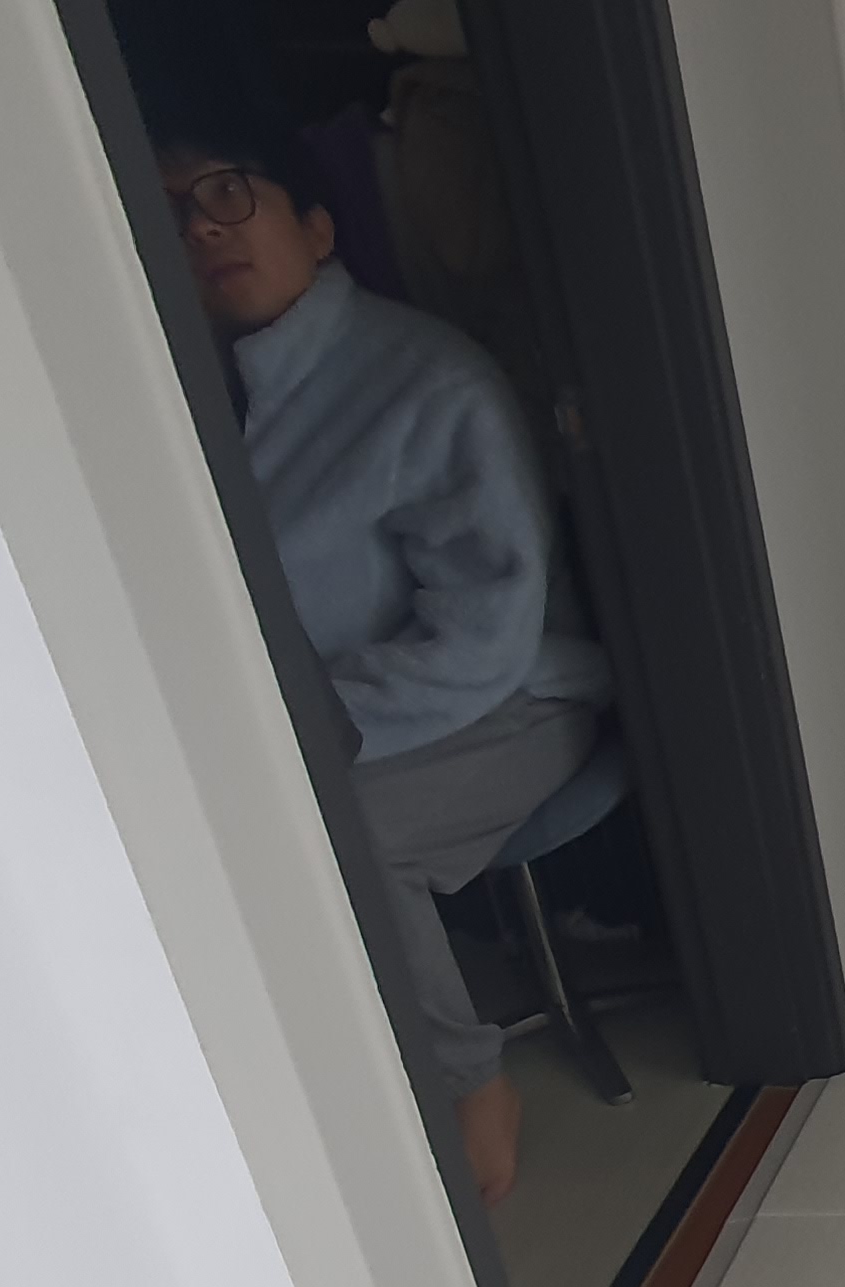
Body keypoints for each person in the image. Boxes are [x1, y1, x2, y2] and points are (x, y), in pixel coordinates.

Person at [160, 132, 606, 1205]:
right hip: (322, 713)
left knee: (338, 828)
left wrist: (298, 730)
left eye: (230, 191)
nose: (205, 225)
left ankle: (469, 1083)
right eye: (173, 211)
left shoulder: (428, 384)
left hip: (514, 693)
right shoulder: (188, 395)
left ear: (317, 227)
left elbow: (486, 633)